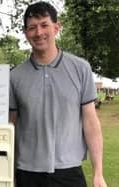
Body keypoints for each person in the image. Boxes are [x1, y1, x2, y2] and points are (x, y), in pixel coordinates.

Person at [9, 2, 107, 187]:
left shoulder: (81, 69)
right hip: (27, 174)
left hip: (69, 172)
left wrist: (98, 173)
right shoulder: (14, 76)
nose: (38, 33)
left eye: (44, 25)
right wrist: (9, 172)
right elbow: (10, 128)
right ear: (25, 33)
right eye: (32, 28)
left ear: (56, 27)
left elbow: (90, 122)